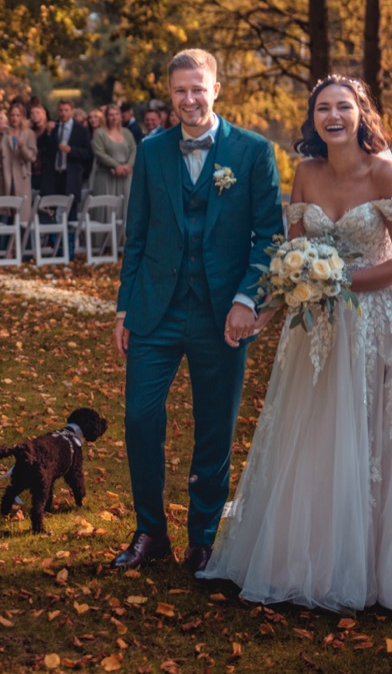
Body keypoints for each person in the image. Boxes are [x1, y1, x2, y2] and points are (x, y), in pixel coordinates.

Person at [198, 76, 392, 618]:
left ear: (362, 114)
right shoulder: (306, 173)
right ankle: (311, 563)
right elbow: (294, 259)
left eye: (343, 106)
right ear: (313, 118)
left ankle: (381, 567)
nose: (333, 116)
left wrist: (338, 279)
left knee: (375, 441)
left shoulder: (384, 171)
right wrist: (262, 311)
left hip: (379, 325)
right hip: (317, 330)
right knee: (319, 434)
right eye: (323, 108)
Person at [111, 48, 283, 574]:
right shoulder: (151, 150)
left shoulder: (254, 151)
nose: (189, 99)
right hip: (155, 310)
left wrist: (247, 299)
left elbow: (270, 237)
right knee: (140, 418)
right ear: (170, 94)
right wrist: (123, 308)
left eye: (198, 89)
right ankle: (150, 531)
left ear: (216, 90)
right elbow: (137, 234)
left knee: (215, 428)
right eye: (180, 90)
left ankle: (203, 539)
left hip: (222, 315)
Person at [44, 99, 92, 217]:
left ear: (71, 111)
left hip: (71, 174)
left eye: (66, 110)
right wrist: (48, 133)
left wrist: (71, 150)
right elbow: (45, 149)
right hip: (55, 174)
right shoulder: (54, 127)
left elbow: (88, 153)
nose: (63, 113)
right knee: (53, 209)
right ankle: (55, 230)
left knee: (71, 210)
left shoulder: (81, 130)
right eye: (61, 110)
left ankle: (71, 229)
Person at [0, 103, 35, 222]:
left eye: (18, 115)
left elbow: (32, 157)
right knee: (4, 212)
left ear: (22, 117)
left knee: (21, 214)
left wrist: (22, 147)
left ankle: (19, 234)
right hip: (4, 175)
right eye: (12, 115)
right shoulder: (3, 132)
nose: (15, 118)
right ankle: (5, 233)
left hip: (21, 177)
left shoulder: (29, 133)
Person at [89, 103, 136, 218]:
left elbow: (133, 149)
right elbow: (99, 153)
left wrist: (129, 165)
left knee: (126, 208)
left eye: (116, 114)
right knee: (106, 211)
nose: (114, 118)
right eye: (111, 115)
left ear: (120, 116)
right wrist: (115, 165)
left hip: (125, 176)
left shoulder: (127, 133)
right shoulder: (99, 133)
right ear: (106, 117)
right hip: (106, 176)